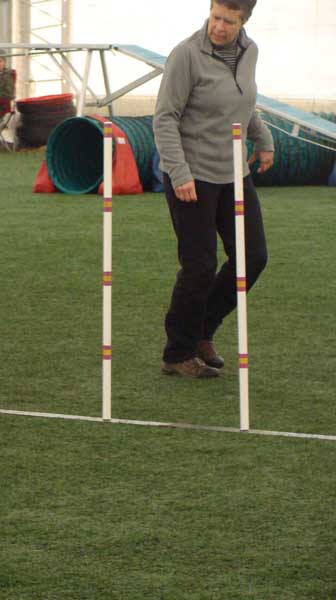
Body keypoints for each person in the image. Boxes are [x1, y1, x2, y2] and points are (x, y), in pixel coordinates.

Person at [154, 0, 274, 378]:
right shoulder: (186, 55)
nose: (219, 27)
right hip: (192, 175)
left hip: (234, 172)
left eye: (229, 21)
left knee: (252, 258)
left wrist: (263, 137)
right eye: (215, 17)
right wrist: (179, 172)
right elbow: (164, 118)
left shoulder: (249, 52)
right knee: (200, 266)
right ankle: (178, 353)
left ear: (244, 21)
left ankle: (203, 330)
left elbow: (241, 104)